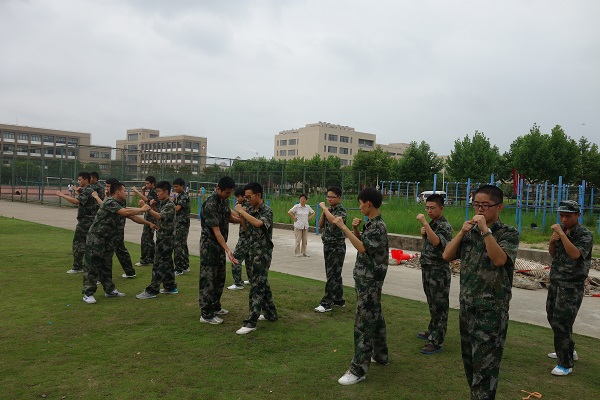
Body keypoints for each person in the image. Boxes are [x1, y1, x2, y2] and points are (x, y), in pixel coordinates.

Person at [443, 185, 519, 400]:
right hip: (468, 308)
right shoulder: (469, 231)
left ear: (499, 207)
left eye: (485, 205)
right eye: (476, 204)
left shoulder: (508, 233)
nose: (480, 209)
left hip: (491, 311)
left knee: (485, 371)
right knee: (470, 364)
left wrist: (486, 231)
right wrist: (461, 232)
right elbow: (447, 255)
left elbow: (499, 260)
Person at [334, 187, 389, 385]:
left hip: (370, 280)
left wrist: (344, 227)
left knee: (363, 323)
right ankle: (381, 354)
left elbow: (363, 248)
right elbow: (365, 243)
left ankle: (358, 369)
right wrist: (356, 229)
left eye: (360, 203)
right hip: (367, 279)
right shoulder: (371, 224)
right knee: (375, 315)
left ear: (368, 203)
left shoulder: (378, 226)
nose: (359, 207)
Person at [82, 181, 153, 304]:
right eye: (124, 191)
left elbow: (132, 217)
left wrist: (149, 223)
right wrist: (143, 209)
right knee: (92, 265)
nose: (126, 193)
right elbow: (125, 212)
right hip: (96, 238)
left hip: (108, 239)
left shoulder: (119, 204)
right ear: (118, 191)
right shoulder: (110, 201)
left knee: (106, 265)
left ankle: (109, 290)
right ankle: (88, 293)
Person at [546, 200, 593, 376]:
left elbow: (574, 255)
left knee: (562, 322)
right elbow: (553, 254)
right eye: (562, 215)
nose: (564, 219)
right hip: (556, 281)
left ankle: (565, 364)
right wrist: (552, 241)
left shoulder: (584, 235)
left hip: (571, 285)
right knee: (552, 317)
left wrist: (562, 235)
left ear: (578, 215)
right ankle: (568, 350)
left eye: (568, 216)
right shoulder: (562, 232)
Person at [234, 182, 278, 335]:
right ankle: (271, 313)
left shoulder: (267, 211)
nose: (247, 200)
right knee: (261, 283)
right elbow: (246, 230)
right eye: (245, 197)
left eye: (249, 197)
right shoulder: (251, 209)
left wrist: (243, 212)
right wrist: (243, 216)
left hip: (263, 253)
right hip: (252, 251)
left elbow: (259, 223)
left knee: (256, 287)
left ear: (258, 195)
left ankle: (251, 321)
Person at [199, 176, 240, 324]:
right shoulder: (210, 204)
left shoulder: (224, 201)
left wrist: (244, 219)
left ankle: (215, 306)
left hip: (220, 247)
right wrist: (228, 250)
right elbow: (216, 231)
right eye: (227, 192)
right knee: (208, 280)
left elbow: (229, 217)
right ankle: (206, 314)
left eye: (230, 193)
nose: (229, 195)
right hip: (209, 247)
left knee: (220, 278)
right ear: (218, 189)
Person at [416, 193, 453, 355]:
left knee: (440, 305)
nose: (429, 211)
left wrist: (425, 223)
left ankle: (437, 340)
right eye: (427, 208)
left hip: (439, 270)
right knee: (432, 302)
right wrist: (424, 234)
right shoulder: (432, 224)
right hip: (428, 267)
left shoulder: (444, 226)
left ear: (441, 208)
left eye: (433, 208)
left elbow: (438, 242)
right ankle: (432, 330)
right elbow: (428, 245)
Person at [136, 180, 178, 299]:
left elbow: (159, 216)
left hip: (166, 239)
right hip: (163, 237)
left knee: (158, 263)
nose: (157, 194)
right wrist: (153, 207)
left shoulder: (170, 204)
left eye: (159, 191)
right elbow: (160, 216)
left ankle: (152, 290)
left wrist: (146, 208)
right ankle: (170, 286)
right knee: (167, 263)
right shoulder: (163, 203)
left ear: (166, 192)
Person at [56, 172, 100, 274]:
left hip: (86, 221)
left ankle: (78, 266)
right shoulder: (86, 190)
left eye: (80, 180)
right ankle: (85, 266)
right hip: (87, 220)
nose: (78, 181)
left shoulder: (88, 190)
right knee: (87, 244)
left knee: (79, 243)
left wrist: (62, 195)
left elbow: (77, 202)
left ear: (86, 180)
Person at [315, 186, 347, 312]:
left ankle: (327, 302)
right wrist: (324, 211)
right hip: (327, 244)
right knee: (334, 274)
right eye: (328, 197)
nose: (329, 199)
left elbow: (334, 222)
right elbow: (320, 225)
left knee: (332, 274)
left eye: (332, 197)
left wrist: (323, 208)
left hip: (337, 246)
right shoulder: (329, 209)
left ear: (338, 197)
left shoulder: (341, 210)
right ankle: (338, 299)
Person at [104, 178, 138, 279]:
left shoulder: (118, 199)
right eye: (106, 186)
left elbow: (106, 207)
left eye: (109, 186)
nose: (107, 188)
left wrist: (97, 197)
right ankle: (130, 272)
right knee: (120, 250)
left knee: (107, 253)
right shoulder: (110, 197)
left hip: (116, 228)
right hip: (112, 228)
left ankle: (101, 277)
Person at [228, 187, 251, 290]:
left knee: (236, 258)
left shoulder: (244, 205)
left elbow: (238, 216)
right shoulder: (246, 204)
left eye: (238, 196)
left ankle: (238, 283)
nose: (237, 198)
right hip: (249, 236)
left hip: (245, 237)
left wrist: (229, 209)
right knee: (249, 259)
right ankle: (252, 279)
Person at [131, 176, 157, 267]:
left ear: (153, 183)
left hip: (152, 218)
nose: (146, 185)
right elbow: (146, 203)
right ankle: (151, 258)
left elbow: (146, 200)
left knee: (145, 239)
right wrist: (143, 191)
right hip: (149, 217)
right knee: (149, 239)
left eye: (148, 183)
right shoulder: (151, 191)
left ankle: (144, 260)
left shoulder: (154, 191)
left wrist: (136, 191)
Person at [173, 178, 191, 276]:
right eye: (174, 186)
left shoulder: (184, 196)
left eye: (176, 186)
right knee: (182, 245)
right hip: (179, 223)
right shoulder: (179, 196)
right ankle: (185, 266)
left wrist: (169, 204)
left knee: (178, 245)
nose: (175, 188)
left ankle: (179, 268)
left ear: (182, 186)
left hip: (182, 224)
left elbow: (177, 208)